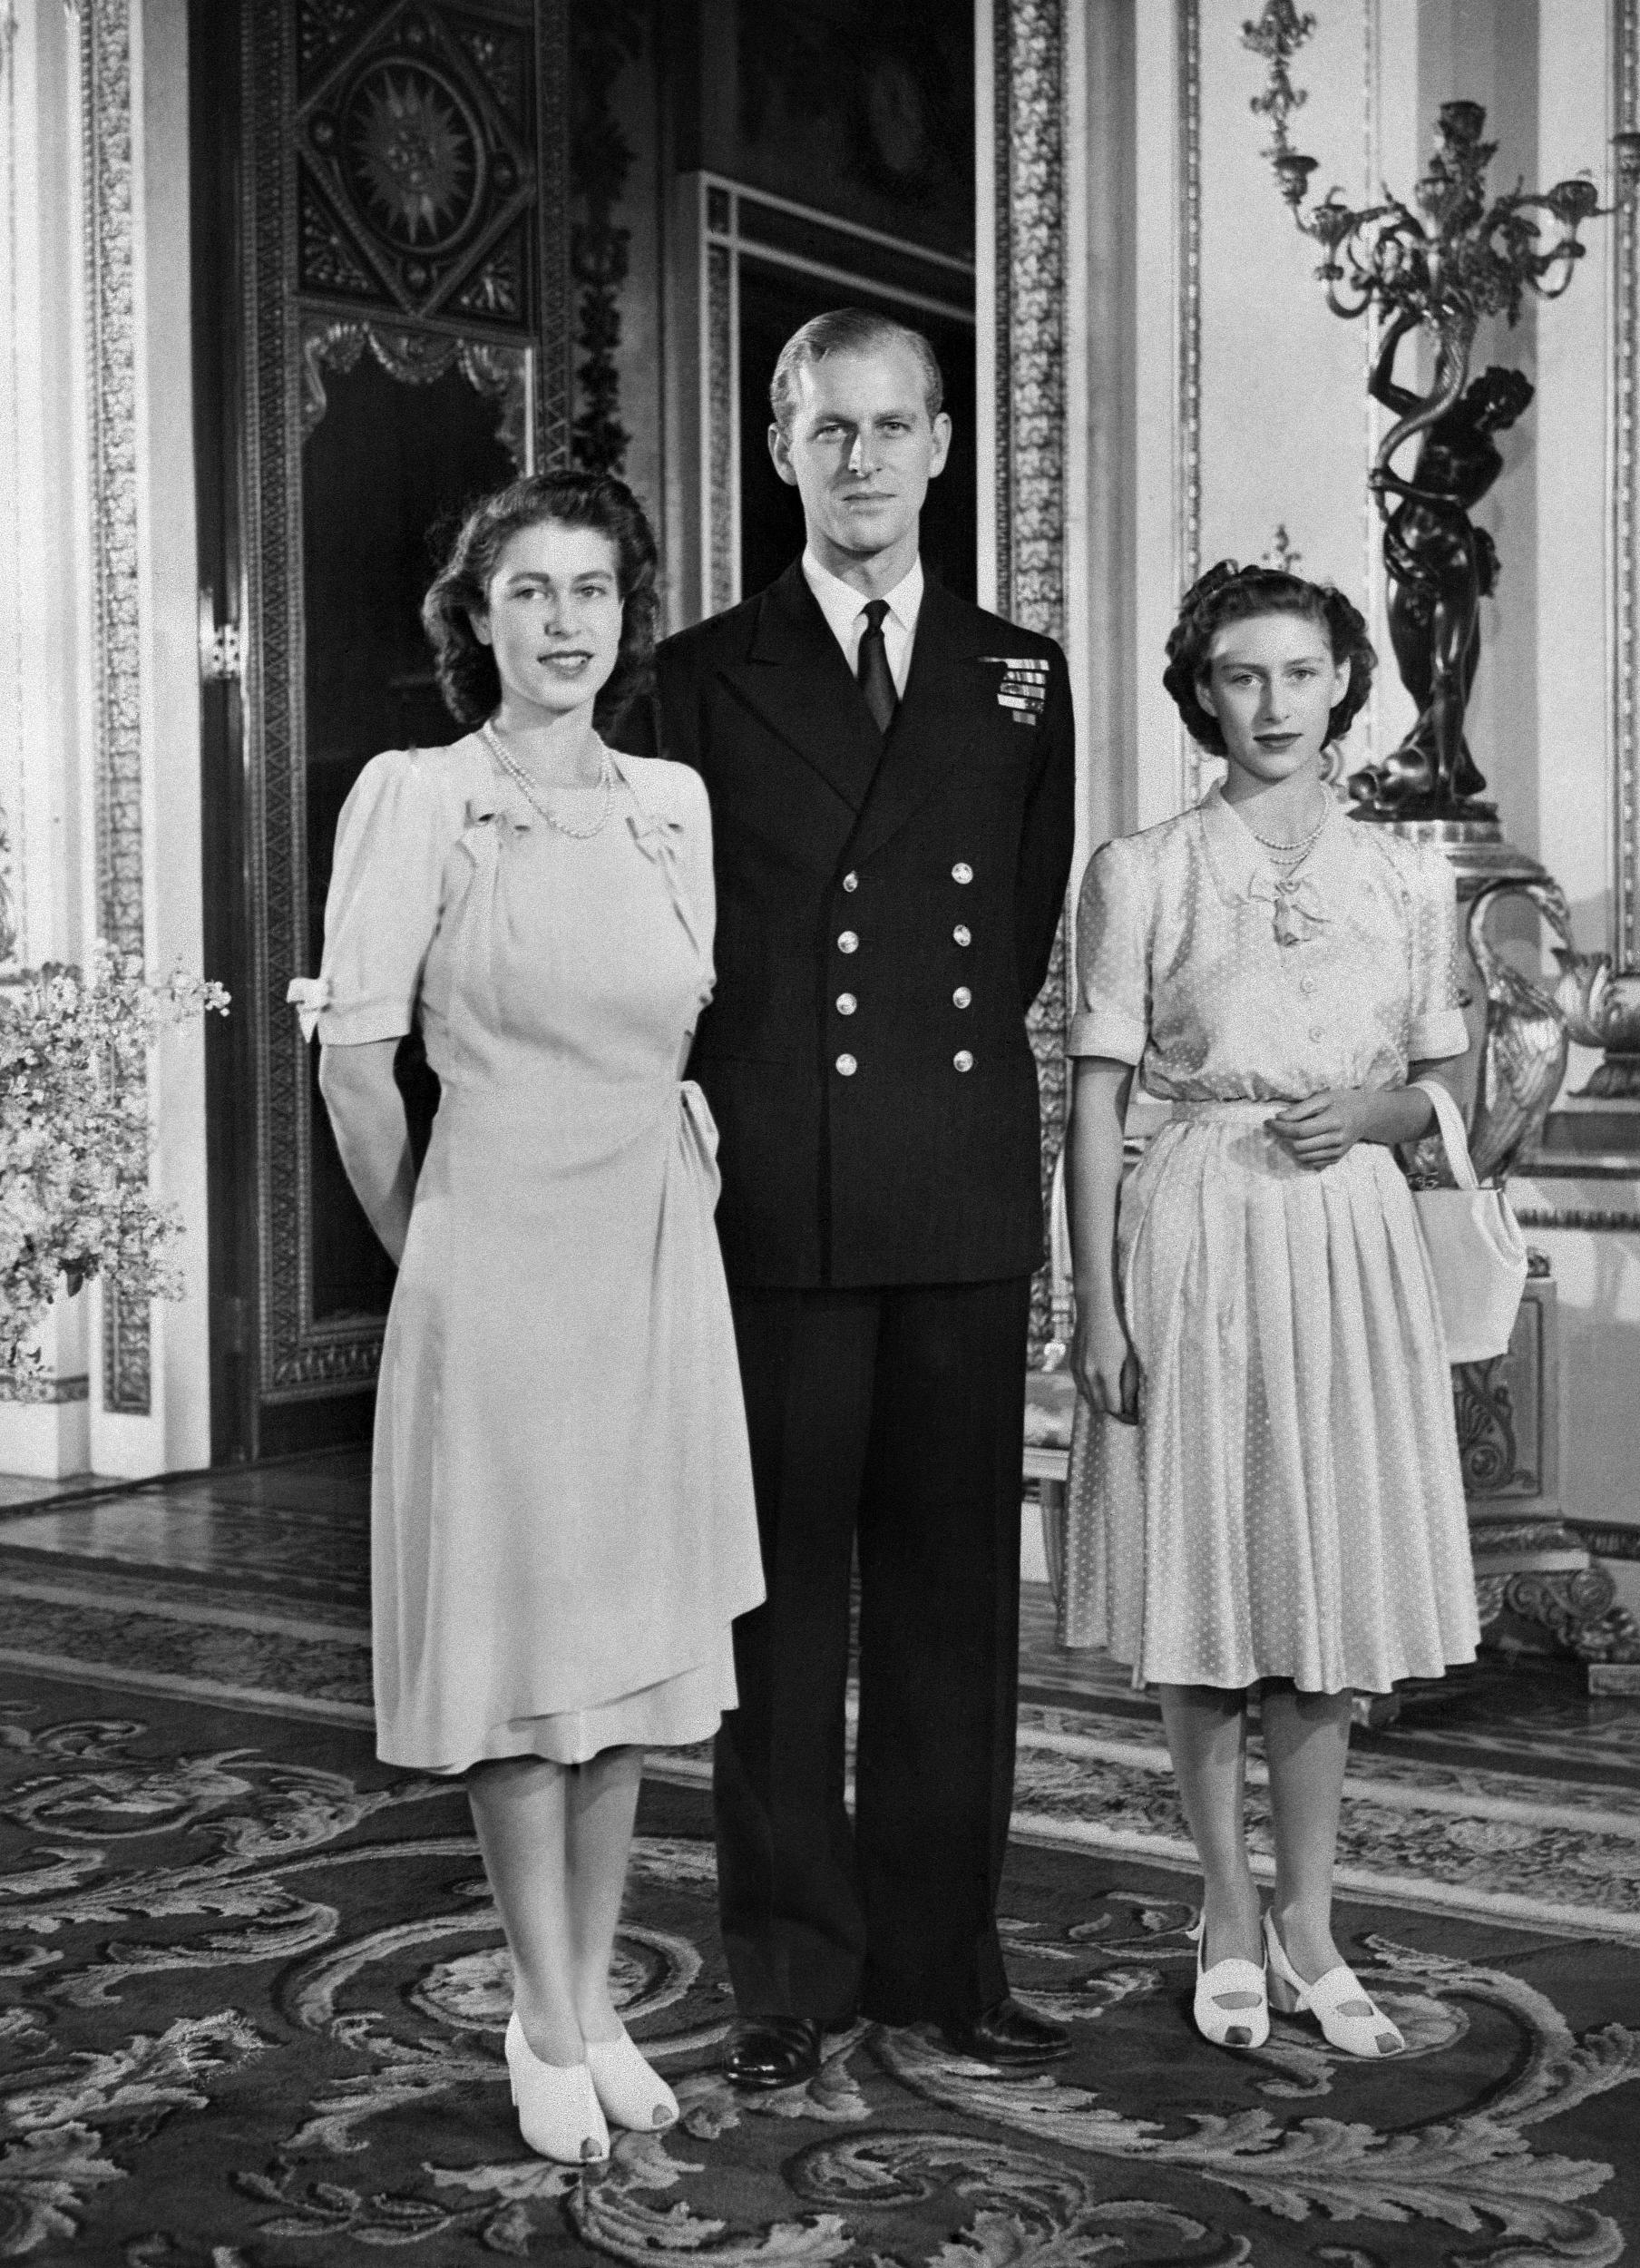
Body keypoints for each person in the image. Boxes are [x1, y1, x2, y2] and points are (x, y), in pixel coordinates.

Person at [290, 470, 765, 2163]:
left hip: (649, 1257)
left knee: (627, 1661)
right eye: (530, 592)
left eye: (593, 590)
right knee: (520, 1655)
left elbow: (685, 1032)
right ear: (474, 620)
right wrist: (441, 1257)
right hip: (493, 1258)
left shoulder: (675, 801)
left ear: (627, 615)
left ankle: (589, 2003)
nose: (566, 622)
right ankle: (541, 2014)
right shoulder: (419, 796)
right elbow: (356, 1070)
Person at [655, 308, 1077, 2088]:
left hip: (958, 1189)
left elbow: (1020, 939)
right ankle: (791, 1957)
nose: (862, 460)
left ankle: (937, 1949)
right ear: (779, 441)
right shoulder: (693, 673)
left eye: (893, 427)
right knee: (782, 1600)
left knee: (947, 1591)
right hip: (777, 1196)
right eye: (829, 428)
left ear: (943, 442)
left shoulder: (1018, 674)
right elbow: (679, 943)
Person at [1059, 561, 1479, 2058]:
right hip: (1195, 1229)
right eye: (1243, 676)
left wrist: (1379, 1109)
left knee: (1324, 1591)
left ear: (1342, 685)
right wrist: (1095, 1311)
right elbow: (1095, 1102)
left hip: (1347, 1247)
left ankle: (1310, 1918)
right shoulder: (1140, 867)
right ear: (1202, 693)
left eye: (1300, 674)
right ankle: (1225, 1910)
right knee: (1215, 1588)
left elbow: (1453, 1095)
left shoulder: (1406, 875)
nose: (1274, 704)